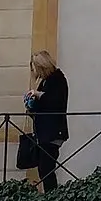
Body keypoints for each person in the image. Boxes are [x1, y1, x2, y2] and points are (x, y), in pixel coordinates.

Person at [24, 51, 69, 191]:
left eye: (35, 68)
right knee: (44, 169)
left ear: (41, 66)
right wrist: (31, 105)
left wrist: (38, 94)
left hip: (52, 132)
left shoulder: (57, 79)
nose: (34, 72)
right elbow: (43, 105)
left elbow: (55, 102)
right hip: (44, 133)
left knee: (46, 169)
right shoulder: (45, 80)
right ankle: (51, 198)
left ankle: (52, 199)